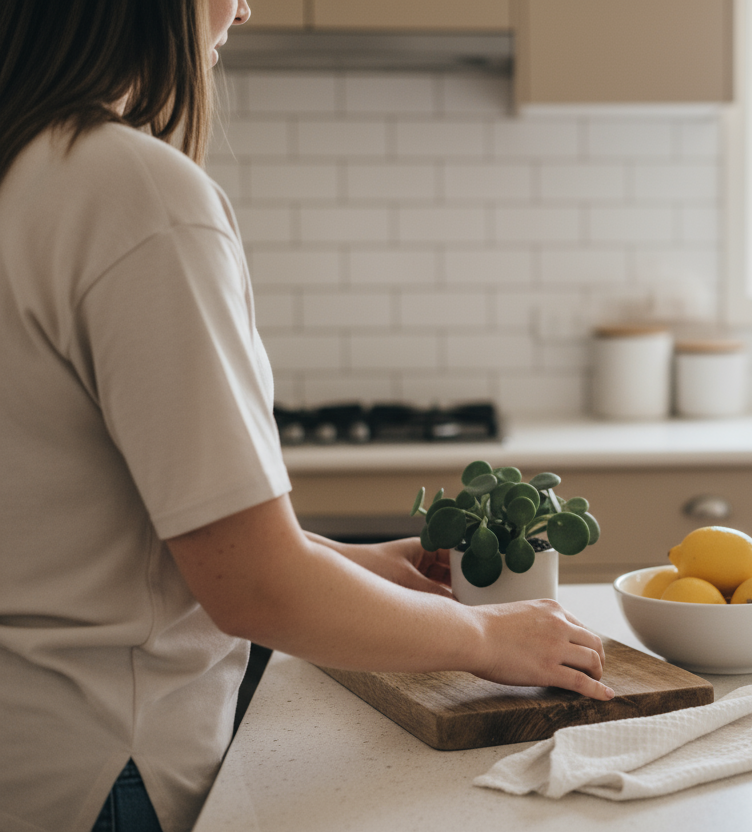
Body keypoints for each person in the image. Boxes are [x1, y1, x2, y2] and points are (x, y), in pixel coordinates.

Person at [0, 2, 613, 831]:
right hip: (109, 769)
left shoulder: (23, 167)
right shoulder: (132, 191)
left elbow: (89, 522)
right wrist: (487, 639)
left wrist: (338, 562)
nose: (246, 4)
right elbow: (251, 587)